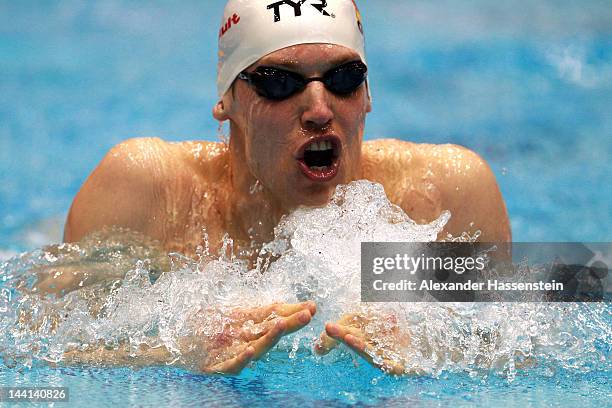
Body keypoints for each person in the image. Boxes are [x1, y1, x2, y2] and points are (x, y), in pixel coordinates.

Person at [58, 0, 510, 375]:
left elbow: (535, 336)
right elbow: (45, 346)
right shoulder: (149, 194)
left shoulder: (436, 198)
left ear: (368, 94)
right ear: (227, 99)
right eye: (280, 83)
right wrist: (176, 352)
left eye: (344, 78)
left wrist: (433, 350)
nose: (318, 108)